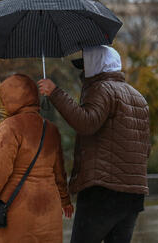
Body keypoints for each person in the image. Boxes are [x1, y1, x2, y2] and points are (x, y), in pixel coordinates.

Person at [38, 45, 151, 243]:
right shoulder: (138, 97)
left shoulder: (101, 89)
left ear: (96, 66)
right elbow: (146, 149)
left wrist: (55, 93)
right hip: (133, 194)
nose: (83, 72)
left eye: (85, 66)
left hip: (102, 192)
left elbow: (86, 123)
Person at [0, 74, 74, 243]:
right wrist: (65, 200)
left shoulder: (9, 127)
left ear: (4, 100)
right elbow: (59, 172)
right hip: (49, 209)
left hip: (16, 208)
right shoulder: (50, 129)